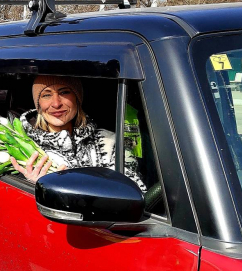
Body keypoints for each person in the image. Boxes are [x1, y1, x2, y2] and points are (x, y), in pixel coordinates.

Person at [11, 75, 145, 190]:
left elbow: (134, 190)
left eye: (64, 92)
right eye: (46, 95)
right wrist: (34, 186)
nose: (56, 103)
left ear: (77, 98)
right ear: (38, 104)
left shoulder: (109, 142)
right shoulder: (23, 146)